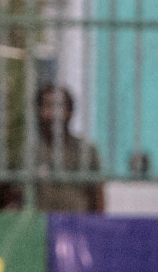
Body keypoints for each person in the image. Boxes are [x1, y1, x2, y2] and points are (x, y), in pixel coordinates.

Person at [33, 84, 104, 213]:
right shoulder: (31, 152)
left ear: (70, 112)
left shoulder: (86, 151)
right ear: (39, 110)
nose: (53, 113)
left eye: (59, 106)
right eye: (48, 106)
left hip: (78, 227)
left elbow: (97, 197)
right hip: (40, 228)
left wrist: (96, 228)